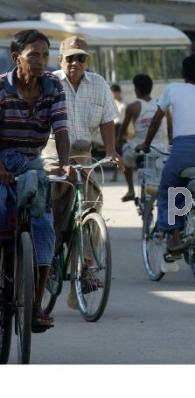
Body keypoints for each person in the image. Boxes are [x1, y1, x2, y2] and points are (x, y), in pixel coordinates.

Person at [42, 35, 123, 309]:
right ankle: (50, 261)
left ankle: (86, 269)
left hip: (84, 153)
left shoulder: (98, 83)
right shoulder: (49, 82)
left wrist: (111, 150)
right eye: (70, 58)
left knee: (90, 207)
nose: (76, 63)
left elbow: (107, 120)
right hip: (53, 153)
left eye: (81, 58)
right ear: (60, 60)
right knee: (53, 211)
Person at [0, 29, 71, 330]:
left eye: (45, 55)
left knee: (44, 227)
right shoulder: (1, 89)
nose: (41, 62)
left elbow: (62, 130)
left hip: (32, 162)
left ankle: (36, 305)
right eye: (34, 56)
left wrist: (65, 165)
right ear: (17, 59)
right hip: (2, 159)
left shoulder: (53, 86)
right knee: (1, 214)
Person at [140, 53, 195, 262]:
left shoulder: (173, 89)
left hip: (180, 151)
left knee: (167, 191)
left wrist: (145, 145)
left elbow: (155, 121)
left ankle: (176, 237)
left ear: (182, 73)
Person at [119, 74, 171, 202]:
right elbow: (170, 128)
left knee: (124, 155)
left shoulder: (133, 107)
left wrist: (120, 138)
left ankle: (131, 189)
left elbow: (123, 130)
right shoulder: (162, 104)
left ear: (136, 89)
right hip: (161, 149)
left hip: (140, 149)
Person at [110, 83, 126, 182]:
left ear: (116, 92)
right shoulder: (113, 103)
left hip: (120, 128)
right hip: (113, 128)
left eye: (112, 92)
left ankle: (119, 172)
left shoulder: (124, 104)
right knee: (114, 151)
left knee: (119, 151)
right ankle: (116, 173)